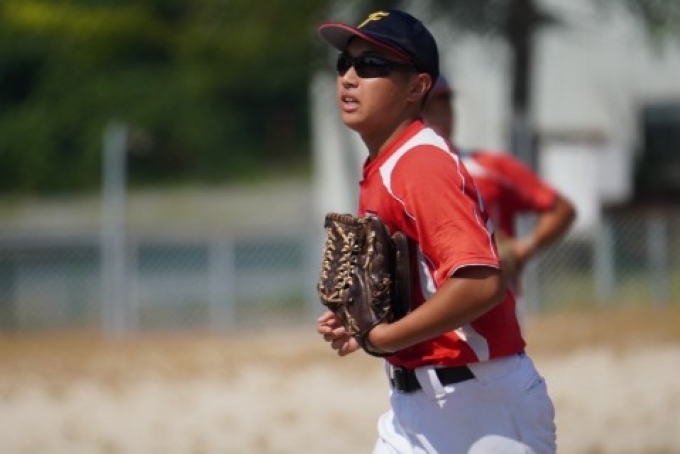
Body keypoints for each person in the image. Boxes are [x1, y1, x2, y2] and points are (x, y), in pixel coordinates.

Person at [316, 9, 557, 454]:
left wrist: (384, 337)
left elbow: (480, 283)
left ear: (417, 87)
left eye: (371, 65)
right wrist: (364, 323)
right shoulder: (387, 163)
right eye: (345, 63)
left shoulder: (420, 164)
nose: (349, 77)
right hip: (417, 405)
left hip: (480, 411)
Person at [423, 75, 576, 299]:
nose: (440, 116)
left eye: (444, 106)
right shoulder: (401, 178)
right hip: (435, 302)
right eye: (429, 108)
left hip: (497, 303)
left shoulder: (488, 167)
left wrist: (524, 249)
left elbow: (561, 209)